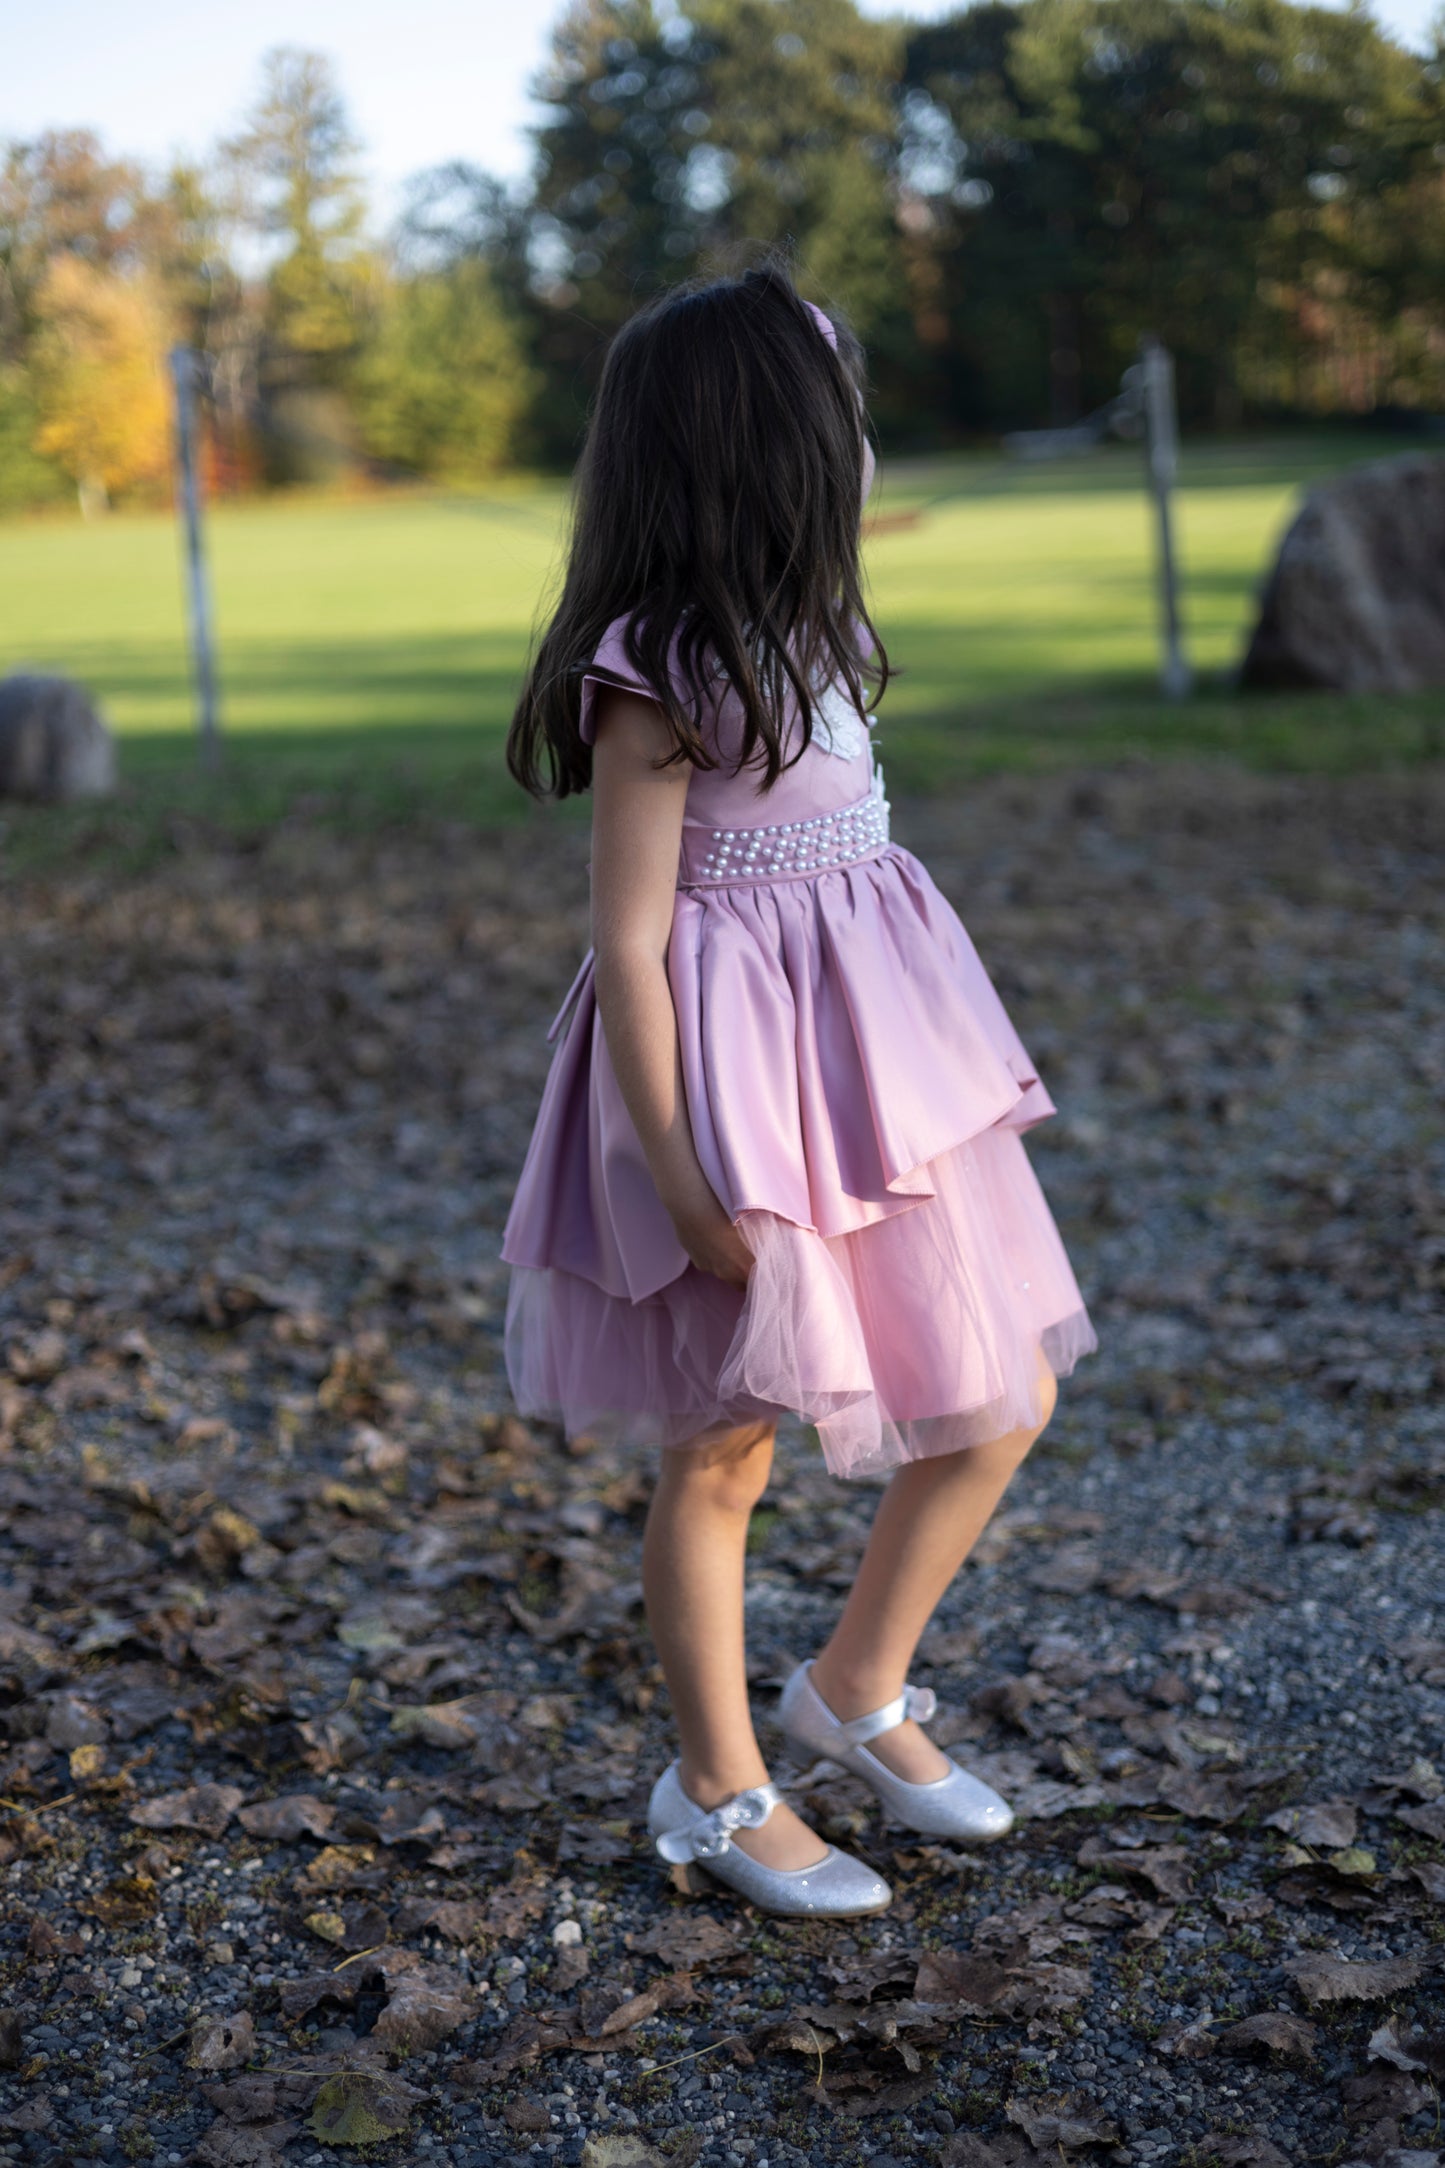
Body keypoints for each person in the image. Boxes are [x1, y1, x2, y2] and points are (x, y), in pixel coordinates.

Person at [501, 261, 1096, 1918]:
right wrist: (684, 1181)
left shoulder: (822, 626)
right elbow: (628, 947)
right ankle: (710, 1785)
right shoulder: (655, 670)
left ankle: (851, 1688)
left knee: (1001, 1395)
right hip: (732, 1100)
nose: (861, 435)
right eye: (837, 405)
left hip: (881, 1084)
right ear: (762, 439)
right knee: (724, 1448)